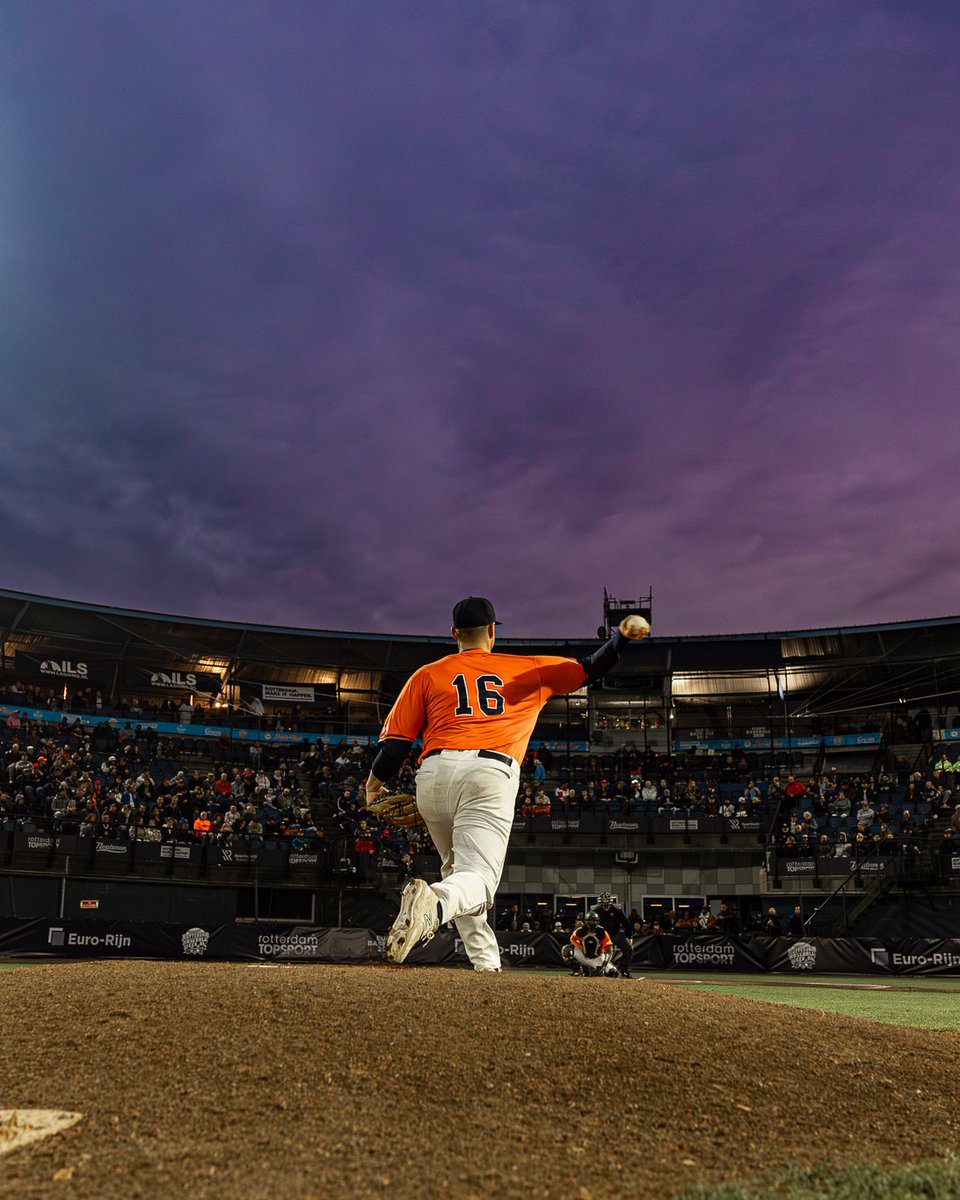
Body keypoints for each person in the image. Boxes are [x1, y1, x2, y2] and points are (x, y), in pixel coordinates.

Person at [365, 596, 647, 972]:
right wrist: (621, 637)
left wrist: (372, 787)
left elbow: (395, 747)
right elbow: (591, 667)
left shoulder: (427, 674)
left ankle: (486, 964)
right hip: (487, 773)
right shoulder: (527, 667)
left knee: (459, 875)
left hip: (432, 774)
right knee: (478, 881)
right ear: (492, 630)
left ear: (454, 634)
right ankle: (434, 905)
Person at [594, 891, 634, 977]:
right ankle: (598, 969)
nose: (605, 902)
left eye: (606, 900)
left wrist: (629, 935)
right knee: (596, 952)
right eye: (603, 900)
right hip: (602, 935)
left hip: (616, 933)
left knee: (629, 948)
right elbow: (591, 924)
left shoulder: (617, 909)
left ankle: (624, 969)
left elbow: (626, 923)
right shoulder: (596, 910)